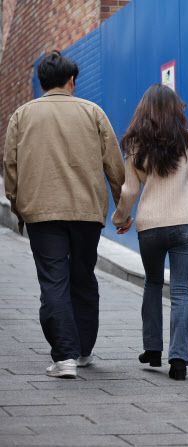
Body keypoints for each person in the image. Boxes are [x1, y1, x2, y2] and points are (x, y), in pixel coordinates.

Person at [2, 51, 125, 378]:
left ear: (41, 82)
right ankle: (82, 351)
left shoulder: (22, 115)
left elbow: (10, 167)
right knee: (83, 278)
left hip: (42, 213)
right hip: (87, 213)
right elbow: (114, 165)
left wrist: (17, 205)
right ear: (72, 80)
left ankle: (64, 357)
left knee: (53, 281)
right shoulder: (93, 112)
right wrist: (122, 209)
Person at [112, 84, 188, 381]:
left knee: (153, 283)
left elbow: (129, 190)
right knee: (181, 291)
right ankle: (179, 360)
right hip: (186, 225)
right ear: (175, 110)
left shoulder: (135, 143)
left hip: (150, 226)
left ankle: (153, 349)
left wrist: (120, 218)